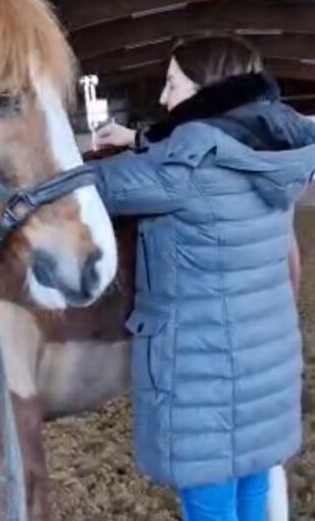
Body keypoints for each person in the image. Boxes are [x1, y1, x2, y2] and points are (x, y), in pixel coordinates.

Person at [90, 34, 315, 521]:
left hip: (202, 376)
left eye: (173, 84)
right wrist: (137, 139)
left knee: (210, 506)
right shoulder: (276, 147)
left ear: (206, 91)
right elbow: (197, 148)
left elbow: (87, 188)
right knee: (252, 488)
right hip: (266, 364)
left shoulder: (180, 170)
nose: (162, 98)